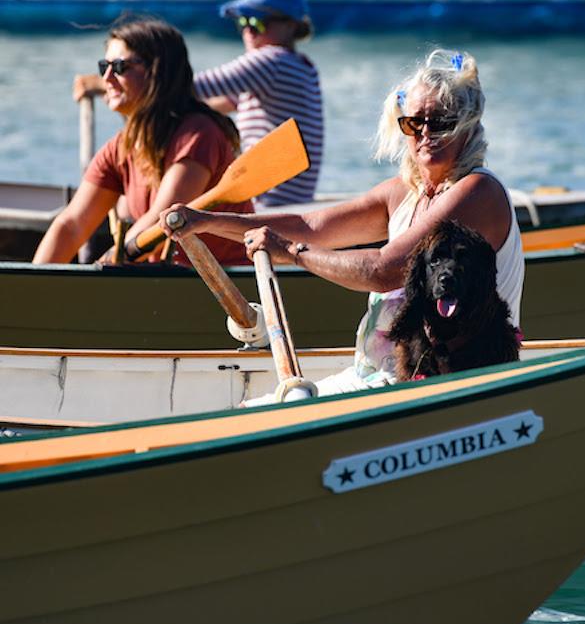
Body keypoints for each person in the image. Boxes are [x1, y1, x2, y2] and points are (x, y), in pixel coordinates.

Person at [160, 49, 524, 397]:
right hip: (383, 374)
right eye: (415, 123)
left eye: (440, 122)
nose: (425, 133)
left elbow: (384, 270)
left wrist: (289, 252)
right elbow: (311, 225)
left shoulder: (478, 192)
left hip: (450, 381)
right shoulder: (402, 193)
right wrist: (206, 221)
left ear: (467, 126)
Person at [73, 0, 323, 211]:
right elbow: (208, 103)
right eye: (243, 21)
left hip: (268, 202)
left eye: (258, 22)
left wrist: (101, 82)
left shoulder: (271, 60)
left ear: (291, 25)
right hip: (292, 199)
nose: (248, 30)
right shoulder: (300, 67)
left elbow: (179, 86)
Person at [35, 17, 251, 266]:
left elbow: (162, 224)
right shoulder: (120, 147)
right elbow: (72, 224)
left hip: (222, 286)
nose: (106, 78)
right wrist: (31, 284)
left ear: (157, 71)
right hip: (162, 282)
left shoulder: (199, 134)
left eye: (118, 67)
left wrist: (104, 266)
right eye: (103, 65)